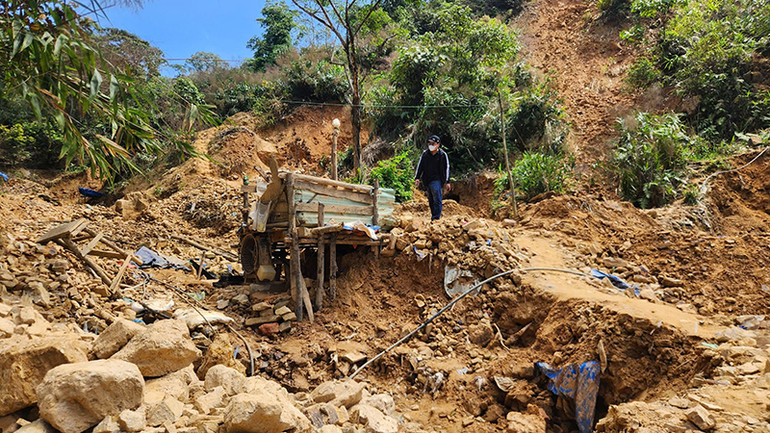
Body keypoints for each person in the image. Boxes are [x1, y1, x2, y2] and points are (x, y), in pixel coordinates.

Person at [414, 135, 451, 220]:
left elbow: (447, 168)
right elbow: (420, 166)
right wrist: (417, 178)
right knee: (431, 200)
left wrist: (447, 181)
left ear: (438, 144)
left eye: (433, 143)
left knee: (437, 197)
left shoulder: (442, 155)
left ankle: (436, 217)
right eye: (429, 143)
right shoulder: (425, 154)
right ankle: (434, 216)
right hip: (427, 179)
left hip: (437, 179)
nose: (431, 145)